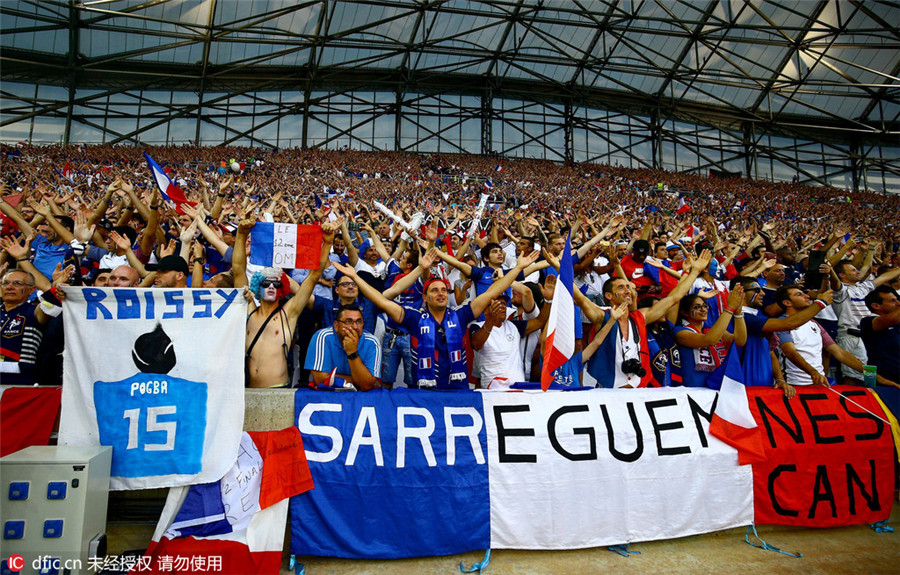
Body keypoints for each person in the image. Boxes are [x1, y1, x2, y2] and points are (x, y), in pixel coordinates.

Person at [333, 249, 540, 389]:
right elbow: (381, 300)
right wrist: (356, 277)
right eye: (434, 290)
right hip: (426, 392)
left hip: (457, 391)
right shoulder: (414, 318)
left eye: (444, 289)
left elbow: (493, 291)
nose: (441, 293)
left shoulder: (460, 315)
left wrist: (518, 268)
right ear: (425, 297)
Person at [580, 250, 713, 388]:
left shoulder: (640, 317)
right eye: (622, 287)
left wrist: (695, 271)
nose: (629, 291)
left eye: (629, 287)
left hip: (640, 390)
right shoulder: (601, 316)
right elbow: (580, 298)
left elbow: (674, 297)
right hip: (608, 390)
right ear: (608, 296)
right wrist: (560, 270)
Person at [236, 218, 339, 388]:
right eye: (265, 283)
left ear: (282, 288)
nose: (270, 286)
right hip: (248, 391)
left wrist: (327, 243)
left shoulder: (289, 313)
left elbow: (314, 275)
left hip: (279, 390)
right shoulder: (249, 309)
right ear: (257, 287)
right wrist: (241, 235)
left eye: (276, 284)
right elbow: (238, 268)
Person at [777, 284, 897, 390]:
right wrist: (813, 372)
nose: (807, 296)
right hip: (794, 385)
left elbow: (840, 353)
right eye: (799, 294)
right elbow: (790, 352)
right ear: (787, 303)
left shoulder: (814, 324)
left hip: (818, 385)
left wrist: (874, 376)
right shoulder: (781, 323)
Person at [729, 276, 833, 391]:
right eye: (757, 290)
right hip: (744, 383)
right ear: (740, 292)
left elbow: (771, 352)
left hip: (766, 383)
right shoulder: (741, 317)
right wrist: (821, 303)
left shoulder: (758, 316)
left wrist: (780, 379)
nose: (763, 293)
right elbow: (788, 324)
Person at [469, 291, 550, 388]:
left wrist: (548, 299)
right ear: (485, 310)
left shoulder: (513, 326)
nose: (502, 306)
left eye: (503, 303)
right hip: (492, 392)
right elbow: (477, 344)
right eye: (497, 303)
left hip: (517, 390)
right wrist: (490, 320)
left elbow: (540, 321)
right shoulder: (477, 327)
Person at [672, 288, 746, 388]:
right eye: (697, 307)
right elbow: (709, 340)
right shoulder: (680, 332)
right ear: (685, 312)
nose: (703, 310)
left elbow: (739, 341)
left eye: (705, 306)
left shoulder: (712, 330)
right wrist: (730, 308)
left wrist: (738, 313)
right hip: (693, 390)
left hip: (716, 387)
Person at [305, 304, 381, 391]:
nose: (355, 327)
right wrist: (358, 380)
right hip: (327, 396)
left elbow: (367, 385)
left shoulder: (372, 342)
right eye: (348, 322)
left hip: (360, 398)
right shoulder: (322, 337)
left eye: (359, 322)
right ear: (336, 325)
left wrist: (352, 352)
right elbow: (320, 380)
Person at [0, 270, 54, 384]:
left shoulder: (33, 311)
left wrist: (55, 286)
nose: (9, 287)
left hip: (19, 383)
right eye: (5, 283)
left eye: (17, 283)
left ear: (31, 290)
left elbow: (50, 304)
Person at [860, 286, 900, 388]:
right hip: (877, 379)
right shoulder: (867, 322)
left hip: (896, 380)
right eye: (892, 301)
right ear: (876, 306)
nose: (898, 303)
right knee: (870, 404)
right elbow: (891, 319)